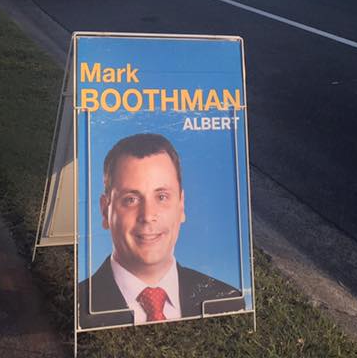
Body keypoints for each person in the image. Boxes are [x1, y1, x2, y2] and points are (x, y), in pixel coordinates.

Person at [77, 133, 244, 330]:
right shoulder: (79, 309)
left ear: (181, 206)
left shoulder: (227, 301)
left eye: (162, 197)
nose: (148, 216)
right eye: (131, 199)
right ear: (105, 211)